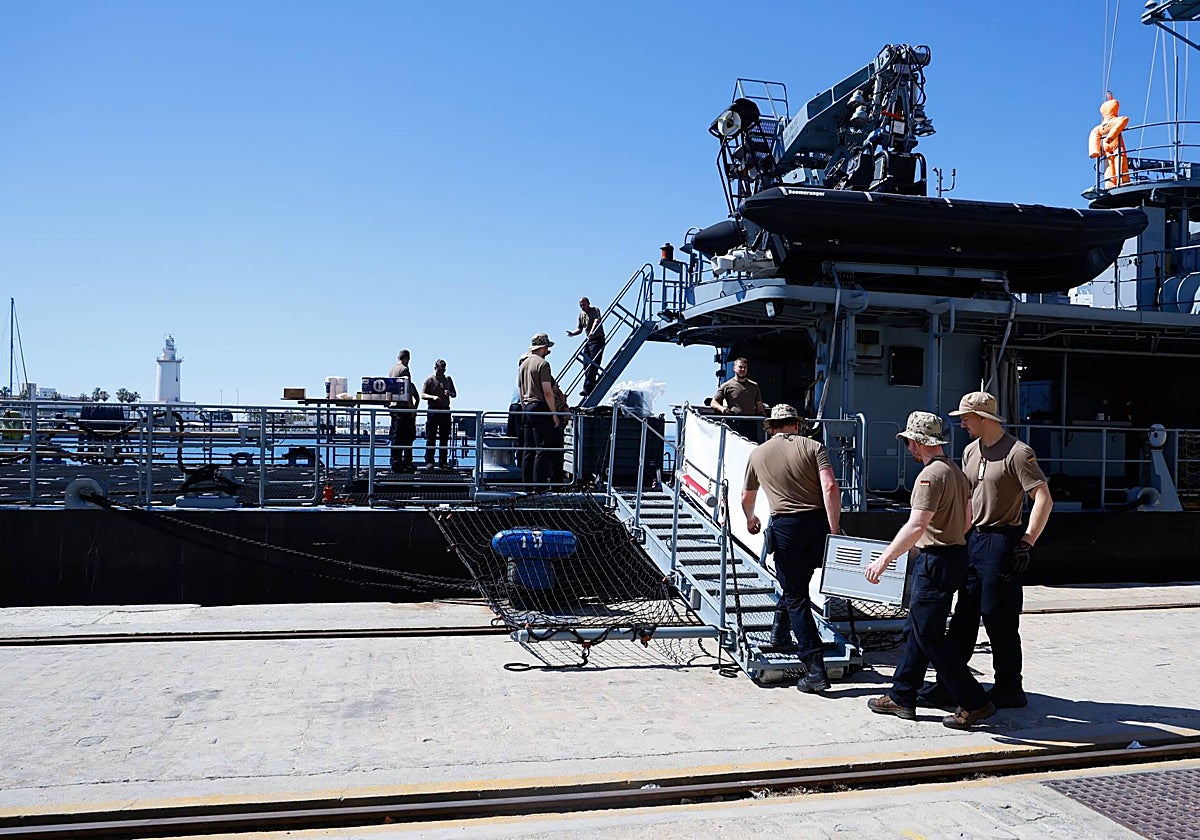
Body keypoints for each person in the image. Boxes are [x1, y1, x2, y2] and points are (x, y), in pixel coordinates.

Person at [918, 391, 1053, 710]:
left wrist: (1026, 542)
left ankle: (1010, 688)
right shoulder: (969, 452)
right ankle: (950, 684)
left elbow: (1043, 498)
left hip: (1001, 541)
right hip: (973, 539)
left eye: (965, 418)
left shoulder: (1018, 453)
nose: (962, 423)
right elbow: (966, 499)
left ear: (984, 418)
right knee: (963, 617)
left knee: (999, 618)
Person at [864, 411, 996, 730]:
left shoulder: (928, 477)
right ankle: (902, 694)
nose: (908, 448)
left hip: (934, 562)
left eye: (909, 442)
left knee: (930, 636)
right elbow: (967, 520)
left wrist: (884, 559)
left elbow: (917, 523)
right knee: (918, 630)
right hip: (955, 556)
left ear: (917, 442)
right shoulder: (955, 472)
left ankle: (974, 701)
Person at [742, 404, 842, 693]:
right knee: (797, 584)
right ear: (796, 424)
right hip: (817, 524)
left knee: (796, 595)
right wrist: (834, 530)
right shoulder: (814, 447)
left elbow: (747, 495)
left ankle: (814, 668)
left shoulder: (757, 453)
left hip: (786, 528)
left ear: (771, 426)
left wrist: (751, 518)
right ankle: (780, 633)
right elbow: (830, 488)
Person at [518, 333, 561, 489]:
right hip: (539, 407)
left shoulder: (523, 364)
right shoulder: (543, 364)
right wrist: (554, 414)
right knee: (542, 448)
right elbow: (548, 392)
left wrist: (524, 408)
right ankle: (539, 486)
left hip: (527, 408)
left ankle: (527, 485)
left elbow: (521, 390)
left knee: (528, 449)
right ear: (543, 347)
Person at [712, 357, 765, 442]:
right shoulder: (727, 385)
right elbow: (714, 402)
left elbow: (759, 405)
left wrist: (763, 418)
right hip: (734, 423)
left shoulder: (754, 386)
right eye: (740, 367)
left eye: (745, 367)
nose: (743, 369)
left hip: (750, 423)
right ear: (734, 368)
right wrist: (722, 409)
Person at [420, 359, 457, 470]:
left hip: (445, 411)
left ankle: (443, 462)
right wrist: (432, 397)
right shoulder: (429, 380)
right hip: (433, 411)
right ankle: (430, 461)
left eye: (443, 370)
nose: (441, 372)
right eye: (440, 370)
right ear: (435, 368)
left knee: (444, 437)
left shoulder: (448, 379)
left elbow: (455, 394)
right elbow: (422, 394)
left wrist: (450, 393)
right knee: (431, 437)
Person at [566, 297, 605, 397]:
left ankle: (587, 388)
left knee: (593, 363)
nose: (582, 307)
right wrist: (572, 333)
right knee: (586, 363)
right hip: (589, 340)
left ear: (588, 303)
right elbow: (579, 329)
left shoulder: (595, 310)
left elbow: (597, 321)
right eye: (581, 305)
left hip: (597, 339)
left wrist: (592, 332)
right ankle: (591, 383)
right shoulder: (581, 315)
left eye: (584, 305)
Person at [387, 349, 419, 472]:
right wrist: (412, 409)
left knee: (396, 436)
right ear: (407, 358)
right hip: (403, 407)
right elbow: (407, 391)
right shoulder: (404, 370)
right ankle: (402, 464)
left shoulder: (392, 370)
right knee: (404, 437)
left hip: (394, 406)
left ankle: (396, 462)